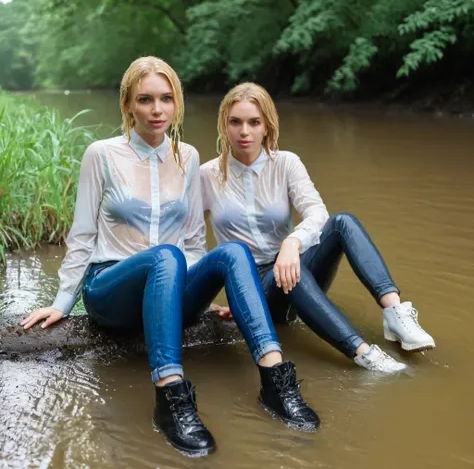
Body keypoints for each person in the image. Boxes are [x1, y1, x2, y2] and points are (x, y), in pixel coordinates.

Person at [20, 60, 320, 458]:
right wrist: (62, 302)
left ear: (177, 105)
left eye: (166, 99)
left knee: (231, 251)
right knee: (164, 256)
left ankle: (275, 381)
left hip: (172, 283)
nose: (156, 110)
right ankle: (170, 398)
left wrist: (201, 288)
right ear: (128, 105)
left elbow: (196, 239)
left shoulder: (189, 157)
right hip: (111, 287)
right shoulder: (102, 154)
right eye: (145, 100)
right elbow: (82, 236)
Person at [201, 82, 436, 375]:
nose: (244, 131)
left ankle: (395, 314)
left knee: (341, 222)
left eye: (254, 122)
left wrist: (292, 243)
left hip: (292, 259)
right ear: (224, 124)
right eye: (235, 122)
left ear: (267, 126)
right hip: (254, 283)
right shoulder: (207, 175)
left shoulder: (286, 163)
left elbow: (316, 212)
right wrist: (206, 299)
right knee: (288, 272)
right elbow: (190, 238)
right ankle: (363, 353)